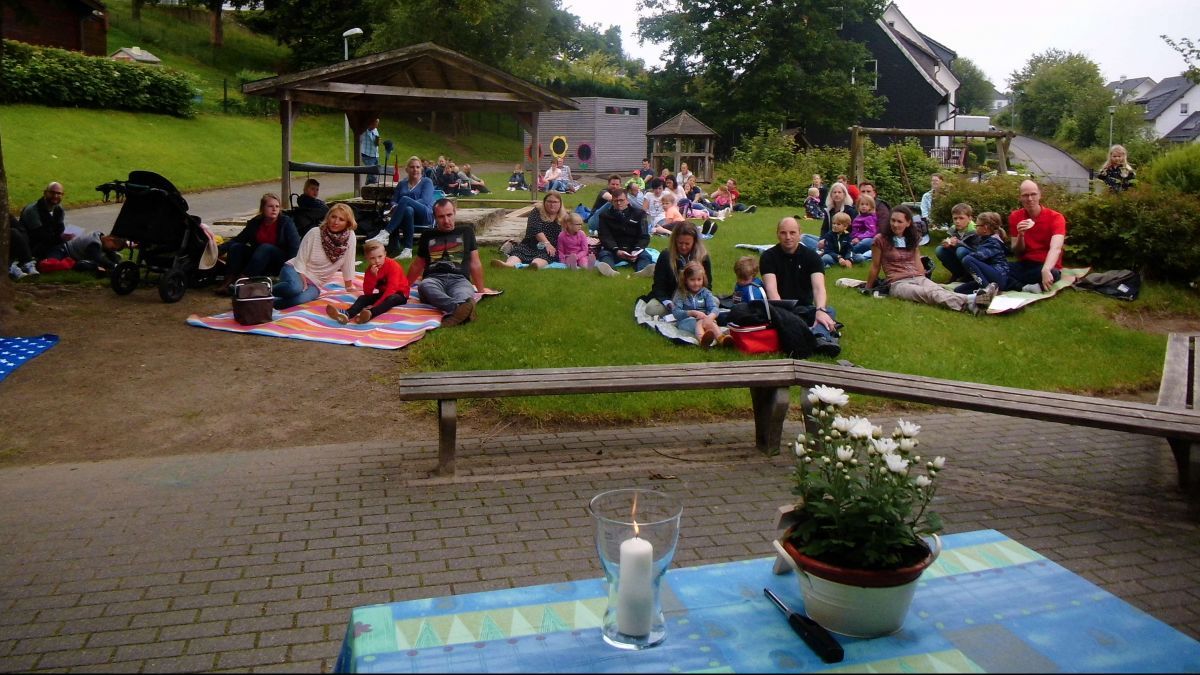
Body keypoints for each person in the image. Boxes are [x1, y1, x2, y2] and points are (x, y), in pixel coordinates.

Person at [864, 205, 997, 316]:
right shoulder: (880, 239)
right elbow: (875, 266)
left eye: (899, 221)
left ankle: (973, 305)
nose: (895, 224)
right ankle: (972, 299)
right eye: (892, 220)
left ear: (908, 223)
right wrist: (867, 288)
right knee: (929, 294)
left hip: (917, 277)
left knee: (939, 291)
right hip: (897, 283)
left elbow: (917, 262)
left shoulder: (912, 238)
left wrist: (924, 280)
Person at [760, 216, 841, 357]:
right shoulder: (768, 257)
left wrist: (820, 310)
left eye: (792, 233)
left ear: (799, 233)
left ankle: (819, 337)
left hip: (805, 308)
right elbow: (772, 290)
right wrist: (786, 316)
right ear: (777, 234)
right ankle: (816, 335)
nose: (788, 237)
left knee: (828, 310)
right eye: (783, 233)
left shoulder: (812, 257)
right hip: (780, 309)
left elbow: (819, 287)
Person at [406, 199, 487, 326]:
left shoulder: (466, 231)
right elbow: (418, 264)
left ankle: (460, 310)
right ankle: (460, 309)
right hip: (433, 278)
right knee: (425, 286)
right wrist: (404, 287)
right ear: (435, 218)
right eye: (441, 217)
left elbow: (475, 263)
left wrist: (481, 291)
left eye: (449, 215)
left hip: (459, 279)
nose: (446, 221)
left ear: (455, 213)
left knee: (465, 293)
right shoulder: (427, 235)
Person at [273, 203, 357, 310]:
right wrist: (301, 276)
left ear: (347, 223)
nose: (336, 222)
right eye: (333, 217)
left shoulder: (350, 237)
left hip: (316, 282)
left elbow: (348, 262)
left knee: (300, 300)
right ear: (328, 217)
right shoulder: (315, 233)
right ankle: (264, 290)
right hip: (296, 270)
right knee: (295, 288)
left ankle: (271, 303)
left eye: (341, 219)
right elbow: (301, 258)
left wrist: (349, 285)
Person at [214, 193, 300, 296]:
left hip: (279, 261)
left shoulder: (286, 222)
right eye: (270, 206)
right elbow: (239, 239)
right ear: (263, 208)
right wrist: (217, 250)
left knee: (265, 248)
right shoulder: (255, 223)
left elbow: (295, 246)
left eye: (277, 206)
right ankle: (227, 282)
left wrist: (291, 270)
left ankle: (242, 282)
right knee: (236, 247)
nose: (274, 209)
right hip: (258, 260)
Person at [326, 239, 408, 325]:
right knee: (363, 298)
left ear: (385, 254)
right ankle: (348, 314)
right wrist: (373, 276)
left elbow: (392, 289)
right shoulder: (370, 270)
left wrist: (375, 305)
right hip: (384, 293)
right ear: (367, 258)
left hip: (400, 294)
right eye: (372, 258)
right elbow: (367, 292)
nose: (377, 261)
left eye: (380, 256)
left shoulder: (393, 266)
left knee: (392, 298)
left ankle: (370, 313)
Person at [1008, 179, 1067, 292]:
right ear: (1020, 198)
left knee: (1053, 273)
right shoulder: (1015, 217)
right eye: (1025, 195)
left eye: (1033, 194)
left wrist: (1045, 269)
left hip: (1046, 264)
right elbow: (1017, 251)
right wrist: (1021, 235)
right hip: (1025, 264)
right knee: (999, 267)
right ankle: (1025, 287)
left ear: (1040, 195)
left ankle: (1011, 283)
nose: (1030, 199)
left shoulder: (1056, 217)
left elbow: (1056, 248)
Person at [377, 156, 435, 260]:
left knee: (405, 200)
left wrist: (403, 204)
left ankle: (386, 232)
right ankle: (408, 249)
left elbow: (425, 201)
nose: (415, 169)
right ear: (407, 169)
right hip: (406, 216)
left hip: (424, 214)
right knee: (408, 210)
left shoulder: (427, 182)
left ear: (421, 168)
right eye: (412, 167)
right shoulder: (402, 183)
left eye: (418, 167)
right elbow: (393, 200)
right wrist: (396, 206)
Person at [648, 220, 712, 314]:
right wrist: (668, 303)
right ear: (675, 241)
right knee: (651, 308)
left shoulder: (703, 257)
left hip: (696, 299)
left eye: (687, 244)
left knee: (714, 302)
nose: (683, 247)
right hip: (671, 298)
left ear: (694, 242)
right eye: (680, 243)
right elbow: (658, 286)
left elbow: (708, 285)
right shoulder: (666, 256)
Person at [11, 182, 72, 279]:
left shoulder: (59, 209)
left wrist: (65, 236)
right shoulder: (32, 210)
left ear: (62, 195)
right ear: (45, 193)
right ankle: (26, 263)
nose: (55, 196)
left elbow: (60, 229)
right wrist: (60, 238)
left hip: (50, 242)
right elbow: (39, 235)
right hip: (31, 244)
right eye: (52, 193)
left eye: (58, 193)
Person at [492, 191, 565, 270]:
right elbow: (536, 229)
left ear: (560, 203)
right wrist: (547, 244)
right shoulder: (537, 212)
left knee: (546, 255)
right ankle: (508, 265)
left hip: (551, 247)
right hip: (532, 243)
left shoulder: (565, 217)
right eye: (549, 201)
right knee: (518, 252)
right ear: (544, 202)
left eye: (555, 202)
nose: (552, 204)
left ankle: (534, 266)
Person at [596, 188, 653, 277]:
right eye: (616, 201)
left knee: (645, 256)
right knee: (604, 254)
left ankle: (641, 272)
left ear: (627, 200)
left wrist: (636, 250)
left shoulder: (639, 214)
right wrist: (616, 250)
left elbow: (644, 235)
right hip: (615, 249)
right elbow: (605, 236)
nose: (619, 203)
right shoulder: (604, 216)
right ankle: (611, 272)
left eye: (621, 200)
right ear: (612, 201)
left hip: (633, 249)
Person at [956, 212, 1015, 294]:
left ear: (985, 228)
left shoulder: (993, 242)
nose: (975, 228)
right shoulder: (983, 239)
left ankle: (986, 290)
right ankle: (986, 290)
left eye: (977, 226)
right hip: (988, 277)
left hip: (999, 276)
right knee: (959, 291)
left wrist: (968, 255)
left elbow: (979, 255)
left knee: (967, 259)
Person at [672, 261, 721, 347]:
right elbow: (676, 313)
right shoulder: (681, 293)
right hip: (686, 322)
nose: (696, 283)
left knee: (710, 323)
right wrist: (692, 313)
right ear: (685, 280)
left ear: (703, 279)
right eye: (692, 280)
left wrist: (711, 316)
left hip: (705, 319)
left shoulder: (706, 292)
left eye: (699, 280)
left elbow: (714, 308)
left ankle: (722, 339)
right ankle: (703, 340)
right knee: (699, 321)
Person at [40, 231, 126, 274]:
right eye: (113, 248)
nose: (112, 250)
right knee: (49, 265)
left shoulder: (99, 235)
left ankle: (70, 264)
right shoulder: (94, 243)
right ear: (110, 239)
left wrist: (118, 264)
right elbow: (98, 258)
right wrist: (114, 266)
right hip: (62, 250)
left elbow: (110, 254)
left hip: (70, 254)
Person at [935, 203, 978, 283]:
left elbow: (977, 251)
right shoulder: (954, 229)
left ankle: (969, 276)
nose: (957, 221)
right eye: (955, 218)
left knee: (961, 251)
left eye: (961, 218)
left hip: (974, 260)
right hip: (960, 257)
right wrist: (947, 244)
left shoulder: (975, 231)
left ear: (970, 218)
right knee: (939, 250)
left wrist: (958, 243)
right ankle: (958, 274)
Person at [848, 193, 878, 259]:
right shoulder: (858, 217)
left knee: (865, 242)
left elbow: (872, 232)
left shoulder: (869, 218)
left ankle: (849, 252)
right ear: (858, 206)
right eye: (862, 204)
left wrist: (859, 238)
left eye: (867, 205)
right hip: (854, 239)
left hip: (864, 239)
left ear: (871, 207)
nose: (864, 206)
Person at [361, 118, 380, 185]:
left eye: (377, 124)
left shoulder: (375, 130)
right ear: (370, 123)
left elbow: (376, 143)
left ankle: (367, 187)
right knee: (372, 175)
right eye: (375, 124)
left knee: (373, 174)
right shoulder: (364, 130)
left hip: (375, 155)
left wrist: (378, 141)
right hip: (367, 155)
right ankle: (373, 187)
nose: (376, 126)